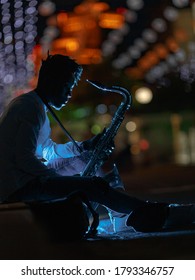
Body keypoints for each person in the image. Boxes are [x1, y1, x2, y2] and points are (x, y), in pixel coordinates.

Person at [0, 54, 168, 233]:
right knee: (91, 185)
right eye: (67, 87)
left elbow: (49, 151)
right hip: (18, 188)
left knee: (88, 162)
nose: (69, 94)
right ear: (51, 81)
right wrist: (66, 182)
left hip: (24, 182)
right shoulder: (30, 108)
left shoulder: (36, 105)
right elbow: (24, 158)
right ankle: (149, 211)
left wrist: (85, 146)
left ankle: (129, 212)